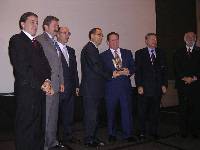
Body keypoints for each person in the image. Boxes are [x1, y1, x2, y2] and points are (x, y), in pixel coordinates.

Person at [8, 12, 51, 150]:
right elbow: (22, 67)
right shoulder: (17, 40)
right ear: (22, 24)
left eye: (37, 22)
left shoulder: (37, 43)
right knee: (25, 127)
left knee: (38, 127)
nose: (36, 25)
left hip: (39, 92)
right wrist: (41, 84)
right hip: (27, 92)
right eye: (32, 21)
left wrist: (47, 80)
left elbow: (46, 65)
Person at [80, 27, 118, 147]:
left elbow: (99, 66)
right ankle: (89, 139)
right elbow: (96, 67)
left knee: (94, 116)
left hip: (94, 89)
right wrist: (111, 74)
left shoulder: (93, 49)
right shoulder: (90, 49)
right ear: (91, 36)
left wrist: (113, 71)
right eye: (99, 34)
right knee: (91, 115)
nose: (101, 37)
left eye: (102, 35)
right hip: (90, 89)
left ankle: (93, 138)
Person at [100, 32, 136, 142]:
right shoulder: (102, 56)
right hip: (111, 88)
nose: (115, 42)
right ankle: (111, 133)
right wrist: (112, 73)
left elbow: (134, 67)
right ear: (107, 42)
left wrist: (129, 71)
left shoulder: (127, 52)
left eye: (116, 40)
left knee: (127, 111)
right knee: (110, 112)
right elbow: (102, 72)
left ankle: (128, 134)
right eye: (112, 40)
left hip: (125, 87)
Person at [36, 16, 65, 150]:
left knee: (54, 117)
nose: (57, 28)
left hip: (56, 85)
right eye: (55, 25)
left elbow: (58, 64)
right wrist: (45, 82)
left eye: (57, 25)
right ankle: (44, 145)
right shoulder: (39, 40)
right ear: (46, 26)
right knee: (46, 117)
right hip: (47, 86)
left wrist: (61, 82)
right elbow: (39, 65)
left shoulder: (54, 42)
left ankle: (52, 142)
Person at [135, 33, 168, 140]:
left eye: (155, 39)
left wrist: (164, 84)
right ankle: (141, 132)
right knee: (142, 112)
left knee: (155, 112)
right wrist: (139, 85)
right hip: (144, 88)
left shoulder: (161, 53)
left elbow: (164, 71)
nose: (154, 41)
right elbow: (138, 71)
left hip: (157, 88)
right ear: (146, 40)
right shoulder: (139, 53)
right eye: (152, 39)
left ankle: (153, 132)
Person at [174, 32, 200, 138]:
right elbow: (176, 67)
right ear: (184, 39)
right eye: (188, 37)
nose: (191, 38)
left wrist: (193, 78)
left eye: (193, 37)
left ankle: (195, 131)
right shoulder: (178, 52)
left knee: (196, 109)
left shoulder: (199, 51)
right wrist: (184, 78)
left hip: (196, 85)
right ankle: (183, 131)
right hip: (182, 84)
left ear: (195, 39)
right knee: (183, 109)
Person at [56, 26, 79, 144]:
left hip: (70, 88)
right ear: (57, 34)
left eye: (68, 33)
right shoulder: (52, 49)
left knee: (69, 114)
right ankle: (55, 139)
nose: (67, 35)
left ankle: (68, 136)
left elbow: (74, 70)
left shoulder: (71, 50)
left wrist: (76, 85)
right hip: (59, 87)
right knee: (56, 116)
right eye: (64, 33)